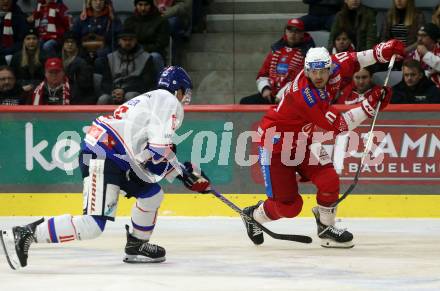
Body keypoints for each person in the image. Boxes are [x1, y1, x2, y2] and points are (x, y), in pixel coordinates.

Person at [0, 66, 211, 270]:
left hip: (117, 156)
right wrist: (183, 173)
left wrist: (181, 172)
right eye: (185, 92)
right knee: (92, 225)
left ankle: (137, 246)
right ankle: (25, 233)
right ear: (178, 89)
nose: (185, 98)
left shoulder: (152, 100)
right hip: (105, 154)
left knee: (151, 193)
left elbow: (150, 155)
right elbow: (158, 151)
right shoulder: (168, 101)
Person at [241, 40, 405, 248]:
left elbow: (356, 59)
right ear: (306, 71)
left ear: (329, 68)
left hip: (304, 140)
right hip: (276, 145)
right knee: (289, 207)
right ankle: (253, 215)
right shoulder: (305, 96)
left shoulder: (335, 65)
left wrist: (382, 51)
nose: (318, 77)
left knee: (329, 180)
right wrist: (369, 106)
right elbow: (340, 126)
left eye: (322, 71)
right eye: (313, 72)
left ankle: (326, 228)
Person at [240, 19, 315, 104]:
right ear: (285, 32)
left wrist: (280, 95)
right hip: (270, 94)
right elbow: (262, 75)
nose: (293, 34)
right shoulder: (276, 50)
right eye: (290, 30)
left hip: (292, 96)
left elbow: (302, 81)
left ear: (302, 34)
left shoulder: (309, 54)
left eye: (297, 31)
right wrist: (265, 89)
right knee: (244, 102)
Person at [95, 28, 156, 105]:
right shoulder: (110, 57)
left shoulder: (146, 57)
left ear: (135, 40)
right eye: (124, 40)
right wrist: (114, 91)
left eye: (131, 40)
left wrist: (124, 90)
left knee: (130, 96)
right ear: (119, 41)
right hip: (114, 91)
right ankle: (98, 117)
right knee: (103, 99)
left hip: (136, 92)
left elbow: (147, 83)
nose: (127, 42)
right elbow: (105, 82)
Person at [124, 0, 170, 79]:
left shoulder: (161, 21)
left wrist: (141, 49)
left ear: (151, 5)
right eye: (140, 4)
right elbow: (125, 40)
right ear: (136, 5)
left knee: (154, 57)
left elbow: (161, 44)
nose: (143, 8)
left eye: (146, 5)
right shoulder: (129, 21)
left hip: (153, 52)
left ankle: (161, 86)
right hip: (133, 52)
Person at [60, 31, 96, 104]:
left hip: (81, 96)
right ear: (63, 44)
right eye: (67, 42)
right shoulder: (58, 59)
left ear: (77, 44)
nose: (70, 44)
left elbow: (85, 85)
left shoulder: (83, 61)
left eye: (72, 42)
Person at [10, 27, 47, 94]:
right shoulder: (16, 57)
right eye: (28, 39)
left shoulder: (46, 56)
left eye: (34, 38)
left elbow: (47, 77)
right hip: (20, 90)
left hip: (41, 90)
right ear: (24, 41)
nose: (31, 41)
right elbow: (12, 76)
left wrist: (33, 85)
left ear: (38, 40)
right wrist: (21, 87)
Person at [411, 23, 440, 88]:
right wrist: (430, 72)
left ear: (433, 38)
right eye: (418, 35)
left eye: (423, 35)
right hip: (423, 90)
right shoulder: (416, 53)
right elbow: (413, 74)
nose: (419, 39)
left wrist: (426, 53)